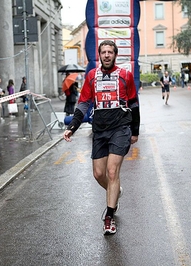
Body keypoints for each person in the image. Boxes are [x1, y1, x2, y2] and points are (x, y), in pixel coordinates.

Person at [63, 40, 140, 235]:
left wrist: (135, 130)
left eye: (110, 52)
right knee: (99, 174)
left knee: (112, 172)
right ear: (99, 55)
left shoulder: (125, 75)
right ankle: (116, 192)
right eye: (103, 52)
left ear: (115, 55)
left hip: (120, 128)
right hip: (100, 129)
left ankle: (109, 217)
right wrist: (73, 126)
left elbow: (133, 103)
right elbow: (83, 104)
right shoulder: (91, 76)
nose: (106, 55)